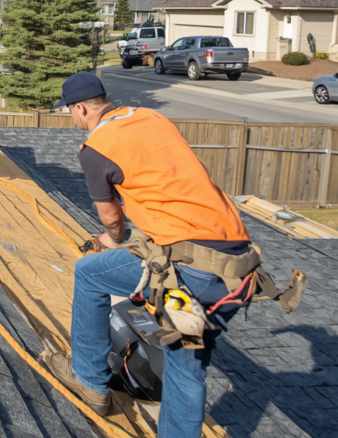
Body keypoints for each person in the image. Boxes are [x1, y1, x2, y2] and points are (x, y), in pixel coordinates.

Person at [42, 72, 254, 436]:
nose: (72, 119)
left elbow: (114, 223)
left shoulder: (97, 147)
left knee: (90, 272)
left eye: (69, 112)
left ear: (80, 109)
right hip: (238, 268)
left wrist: (111, 240)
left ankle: (90, 382)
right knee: (186, 365)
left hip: (191, 273)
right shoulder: (150, 118)